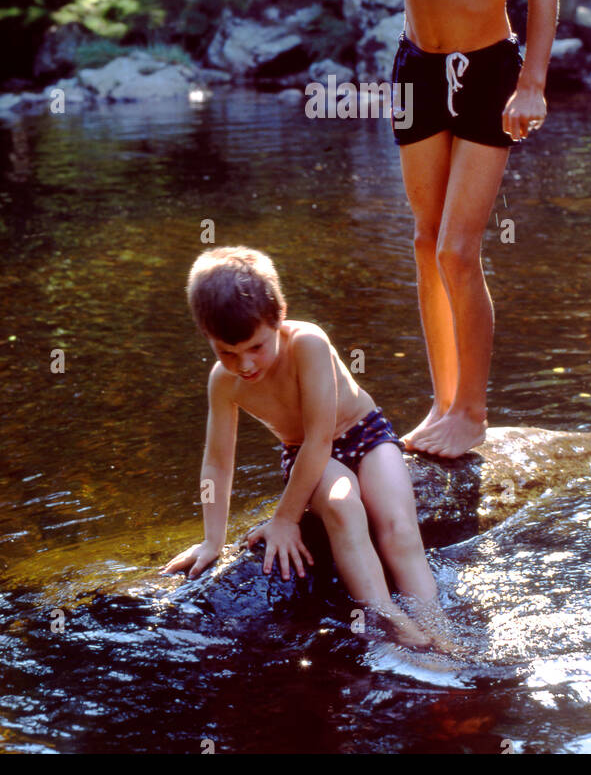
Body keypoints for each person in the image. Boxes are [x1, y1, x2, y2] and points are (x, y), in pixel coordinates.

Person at [290, 0, 559, 458]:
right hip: (416, 71)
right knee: (421, 242)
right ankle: (441, 403)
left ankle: (472, 412)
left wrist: (531, 85)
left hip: (486, 71)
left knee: (456, 250)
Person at [161, 245, 456, 652]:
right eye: (226, 352)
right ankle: (391, 622)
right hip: (306, 455)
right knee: (344, 507)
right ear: (208, 338)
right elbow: (217, 461)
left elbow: (322, 435)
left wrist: (285, 518)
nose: (245, 365)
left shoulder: (308, 343)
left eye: (256, 347)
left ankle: (437, 628)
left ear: (277, 318)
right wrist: (213, 540)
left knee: (399, 528)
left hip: (364, 435)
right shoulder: (223, 382)